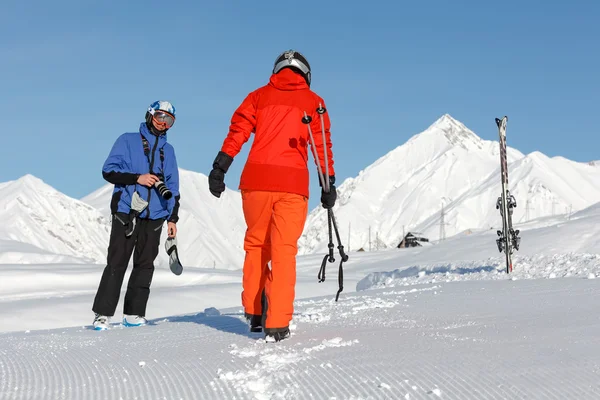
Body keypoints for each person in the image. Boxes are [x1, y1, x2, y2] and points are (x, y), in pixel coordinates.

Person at [208, 50, 337, 342]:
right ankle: (277, 323)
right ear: (306, 73)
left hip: (255, 182)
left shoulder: (257, 97)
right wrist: (327, 184)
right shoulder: (314, 103)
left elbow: (238, 131)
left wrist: (220, 167)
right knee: (283, 252)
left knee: (256, 247)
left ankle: (254, 313)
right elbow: (321, 145)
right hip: (292, 185)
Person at [91, 100, 181, 330]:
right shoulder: (127, 140)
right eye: (160, 117)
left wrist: (172, 219)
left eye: (169, 120)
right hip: (126, 210)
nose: (163, 123)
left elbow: (174, 187)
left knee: (145, 264)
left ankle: (134, 314)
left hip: (156, 214)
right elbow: (108, 171)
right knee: (117, 262)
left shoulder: (168, 151)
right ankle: (102, 314)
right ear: (150, 115)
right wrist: (137, 178)